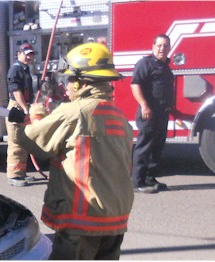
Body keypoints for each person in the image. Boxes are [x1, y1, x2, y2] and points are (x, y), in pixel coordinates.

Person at [8, 43, 134, 259]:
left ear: (82, 82)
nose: (67, 85)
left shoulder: (75, 112)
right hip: (115, 218)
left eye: (69, 80)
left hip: (83, 219)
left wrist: (26, 119)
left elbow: (34, 142)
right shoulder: (118, 116)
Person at [130, 34, 175, 194]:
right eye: (160, 45)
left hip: (162, 113)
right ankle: (137, 182)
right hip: (148, 112)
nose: (162, 48)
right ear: (153, 46)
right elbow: (135, 85)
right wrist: (144, 105)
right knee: (144, 147)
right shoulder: (145, 63)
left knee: (157, 146)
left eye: (166, 46)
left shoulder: (165, 66)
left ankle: (150, 178)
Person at [5, 43, 37, 187]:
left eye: (31, 54)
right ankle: (14, 176)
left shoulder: (25, 69)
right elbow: (16, 91)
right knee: (16, 142)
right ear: (19, 54)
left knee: (23, 142)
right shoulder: (15, 69)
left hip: (23, 107)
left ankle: (21, 173)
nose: (29, 57)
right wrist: (25, 108)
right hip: (17, 108)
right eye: (26, 54)